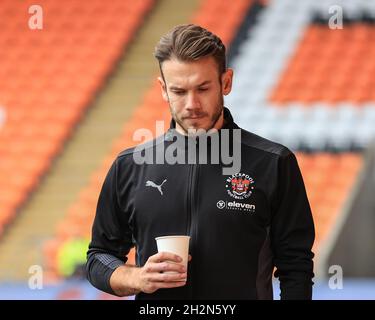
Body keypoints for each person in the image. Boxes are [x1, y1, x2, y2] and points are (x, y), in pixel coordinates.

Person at [86, 24, 315, 300]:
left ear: (226, 82)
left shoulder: (274, 163)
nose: (192, 104)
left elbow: (296, 266)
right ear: (163, 90)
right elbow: (99, 257)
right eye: (179, 91)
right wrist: (137, 277)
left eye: (203, 88)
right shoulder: (130, 166)